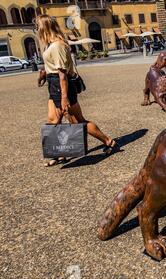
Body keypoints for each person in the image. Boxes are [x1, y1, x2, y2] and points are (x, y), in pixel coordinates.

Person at [36, 15, 119, 167]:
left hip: (62, 86)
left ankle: (109, 141)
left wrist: (64, 97)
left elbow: (62, 74)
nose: (37, 30)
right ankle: (59, 154)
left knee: (78, 122)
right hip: (53, 84)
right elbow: (53, 66)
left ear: (45, 27)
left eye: (38, 26)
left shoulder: (57, 45)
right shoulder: (50, 45)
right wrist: (44, 73)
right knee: (53, 120)